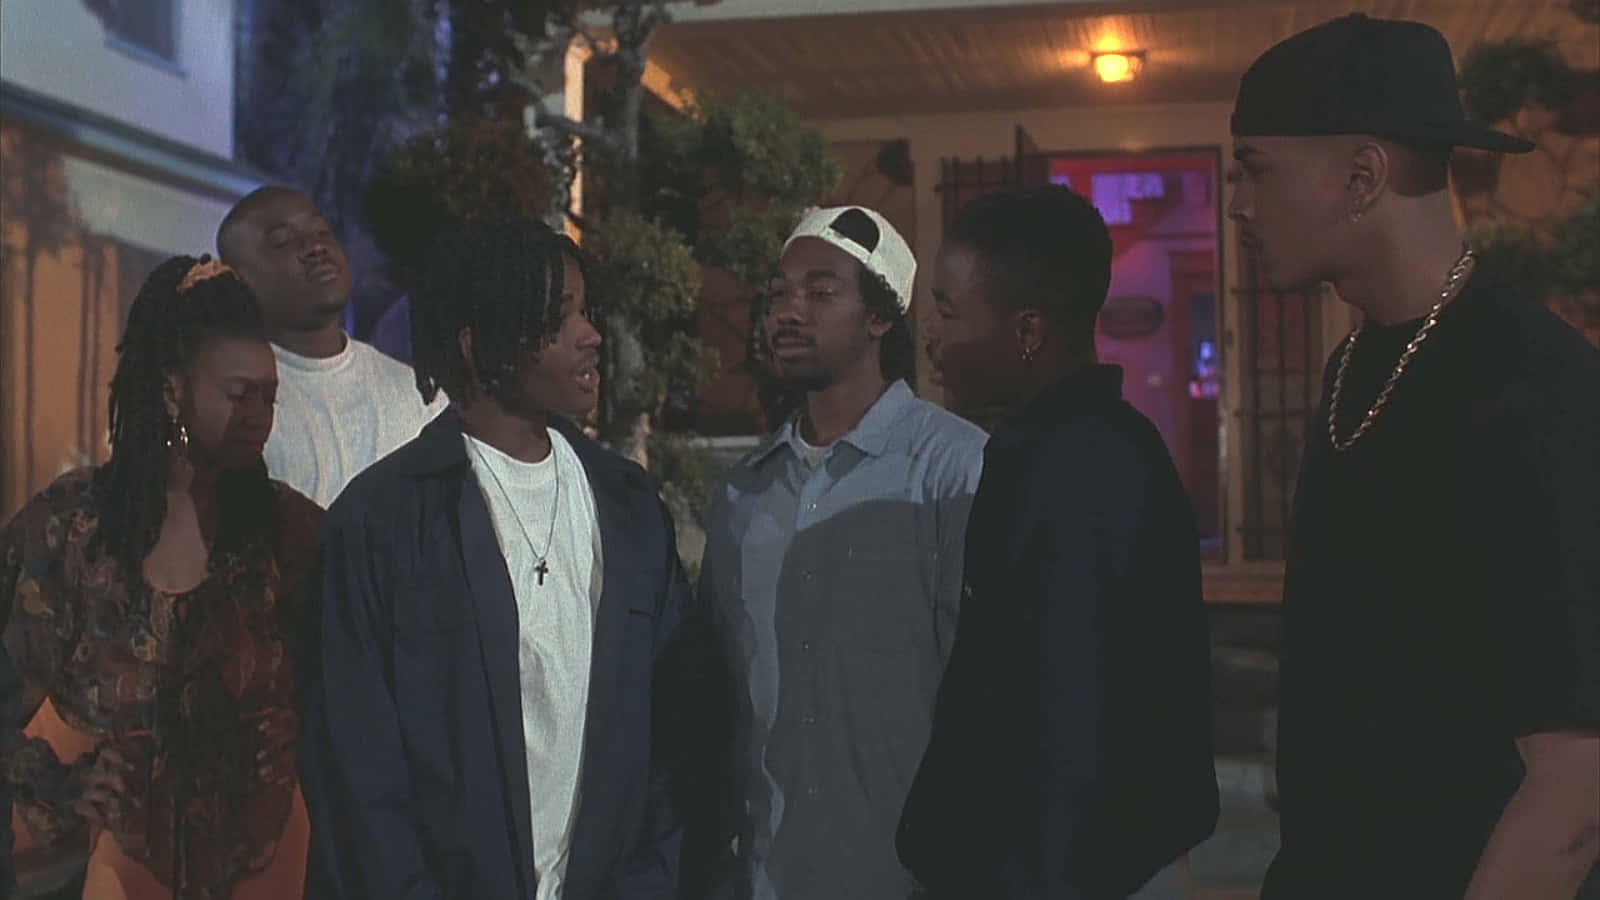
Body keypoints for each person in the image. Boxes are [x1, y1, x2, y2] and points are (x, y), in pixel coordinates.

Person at [1227, 14, 1600, 899]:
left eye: (1256, 168)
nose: (1238, 202)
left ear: (1362, 176)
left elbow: (1576, 781)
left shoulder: (1536, 388)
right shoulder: (1353, 365)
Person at [297, 218, 710, 900]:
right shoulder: (380, 523)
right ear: (479, 344)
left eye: (586, 312)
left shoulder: (630, 508)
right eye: (559, 318)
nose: (591, 336)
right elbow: (358, 775)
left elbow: (675, 734)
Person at [897, 186, 1219, 899]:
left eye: (949, 310)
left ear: (1028, 332)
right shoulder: (1068, 450)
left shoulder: (1074, 474)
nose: (932, 335)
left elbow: (1063, 724)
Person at [0, 256, 322, 900]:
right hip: (109, 869)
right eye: (239, 393)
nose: (260, 413)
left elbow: (353, 704)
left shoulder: (291, 534)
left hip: (267, 864)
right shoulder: (75, 529)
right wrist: (65, 784)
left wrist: (293, 744)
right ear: (172, 389)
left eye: (270, 395)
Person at [698, 205, 987, 899]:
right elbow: (720, 698)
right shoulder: (745, 493)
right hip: (766, 876)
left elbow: (987, 696)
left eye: (821, 293)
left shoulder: (954, 472)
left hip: (914, 876)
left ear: (881, 317)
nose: (788, 313)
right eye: (779, 294)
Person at [217, 186, 445, 507]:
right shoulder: (234, 411)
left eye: (322, 231)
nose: (314, 247)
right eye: (283, 241)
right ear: (238, 280)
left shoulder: (419, 397)